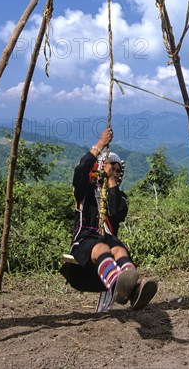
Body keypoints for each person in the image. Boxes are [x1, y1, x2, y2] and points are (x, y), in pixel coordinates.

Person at [60, 128, 158, 311]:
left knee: (119, 250)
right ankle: (116, 284)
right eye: (112, 169)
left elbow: (116, 212)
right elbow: (81, 170)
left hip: (109, 240)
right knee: (102, 247)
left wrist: (111, 182)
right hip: (86, 241)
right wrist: (100, 145)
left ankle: (135, 289)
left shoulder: (120, 197)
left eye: (118, 171)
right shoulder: (85, 191)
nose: (116, 173)